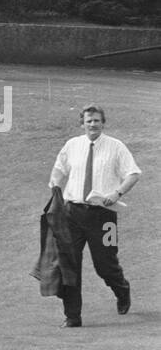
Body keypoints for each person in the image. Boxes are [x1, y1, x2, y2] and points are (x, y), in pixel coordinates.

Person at [48, 104, 140, 328]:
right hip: (73, 214)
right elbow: (59, 169)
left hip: (104, 215)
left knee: (105, 265)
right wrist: (55, 187)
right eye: (89, 121)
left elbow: (133, 173)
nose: (93, 124)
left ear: (103, 123)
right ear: (82, 124)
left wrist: (116, 193)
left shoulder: (116, 147)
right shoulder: (72, 145)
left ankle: (121, 289)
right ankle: (73, 316)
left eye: (97, 120)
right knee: (69, 265)